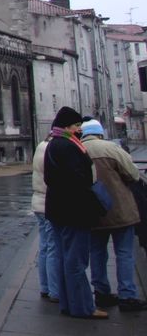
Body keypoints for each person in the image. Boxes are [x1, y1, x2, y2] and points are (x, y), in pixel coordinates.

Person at [43, 106, 108, 319]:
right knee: (76, 261)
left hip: (58, 209)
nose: (80, 129)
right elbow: (78, 180)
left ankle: (68, 304)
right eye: (77, 125)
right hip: (74, 211)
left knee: (64, 259)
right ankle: (82, 307)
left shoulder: (53, 144)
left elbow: (50, 179)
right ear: (67, 126)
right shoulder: (69, 146)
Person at [80, 118, 146, 312]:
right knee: (124, 253)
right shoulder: (111, 149)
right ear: (100, 133)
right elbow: (133, 174)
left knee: (97, 253)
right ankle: (127, 295)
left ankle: (101, 292)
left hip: (92, 211)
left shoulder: (78, 150)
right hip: (119, 209)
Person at [31, 137, 60, 302]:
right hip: (48, 203)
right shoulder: (53, 149)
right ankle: (54, 291)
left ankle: (45, 286)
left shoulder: (40, 146)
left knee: (44, 247)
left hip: (38, 202)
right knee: (53, 248)